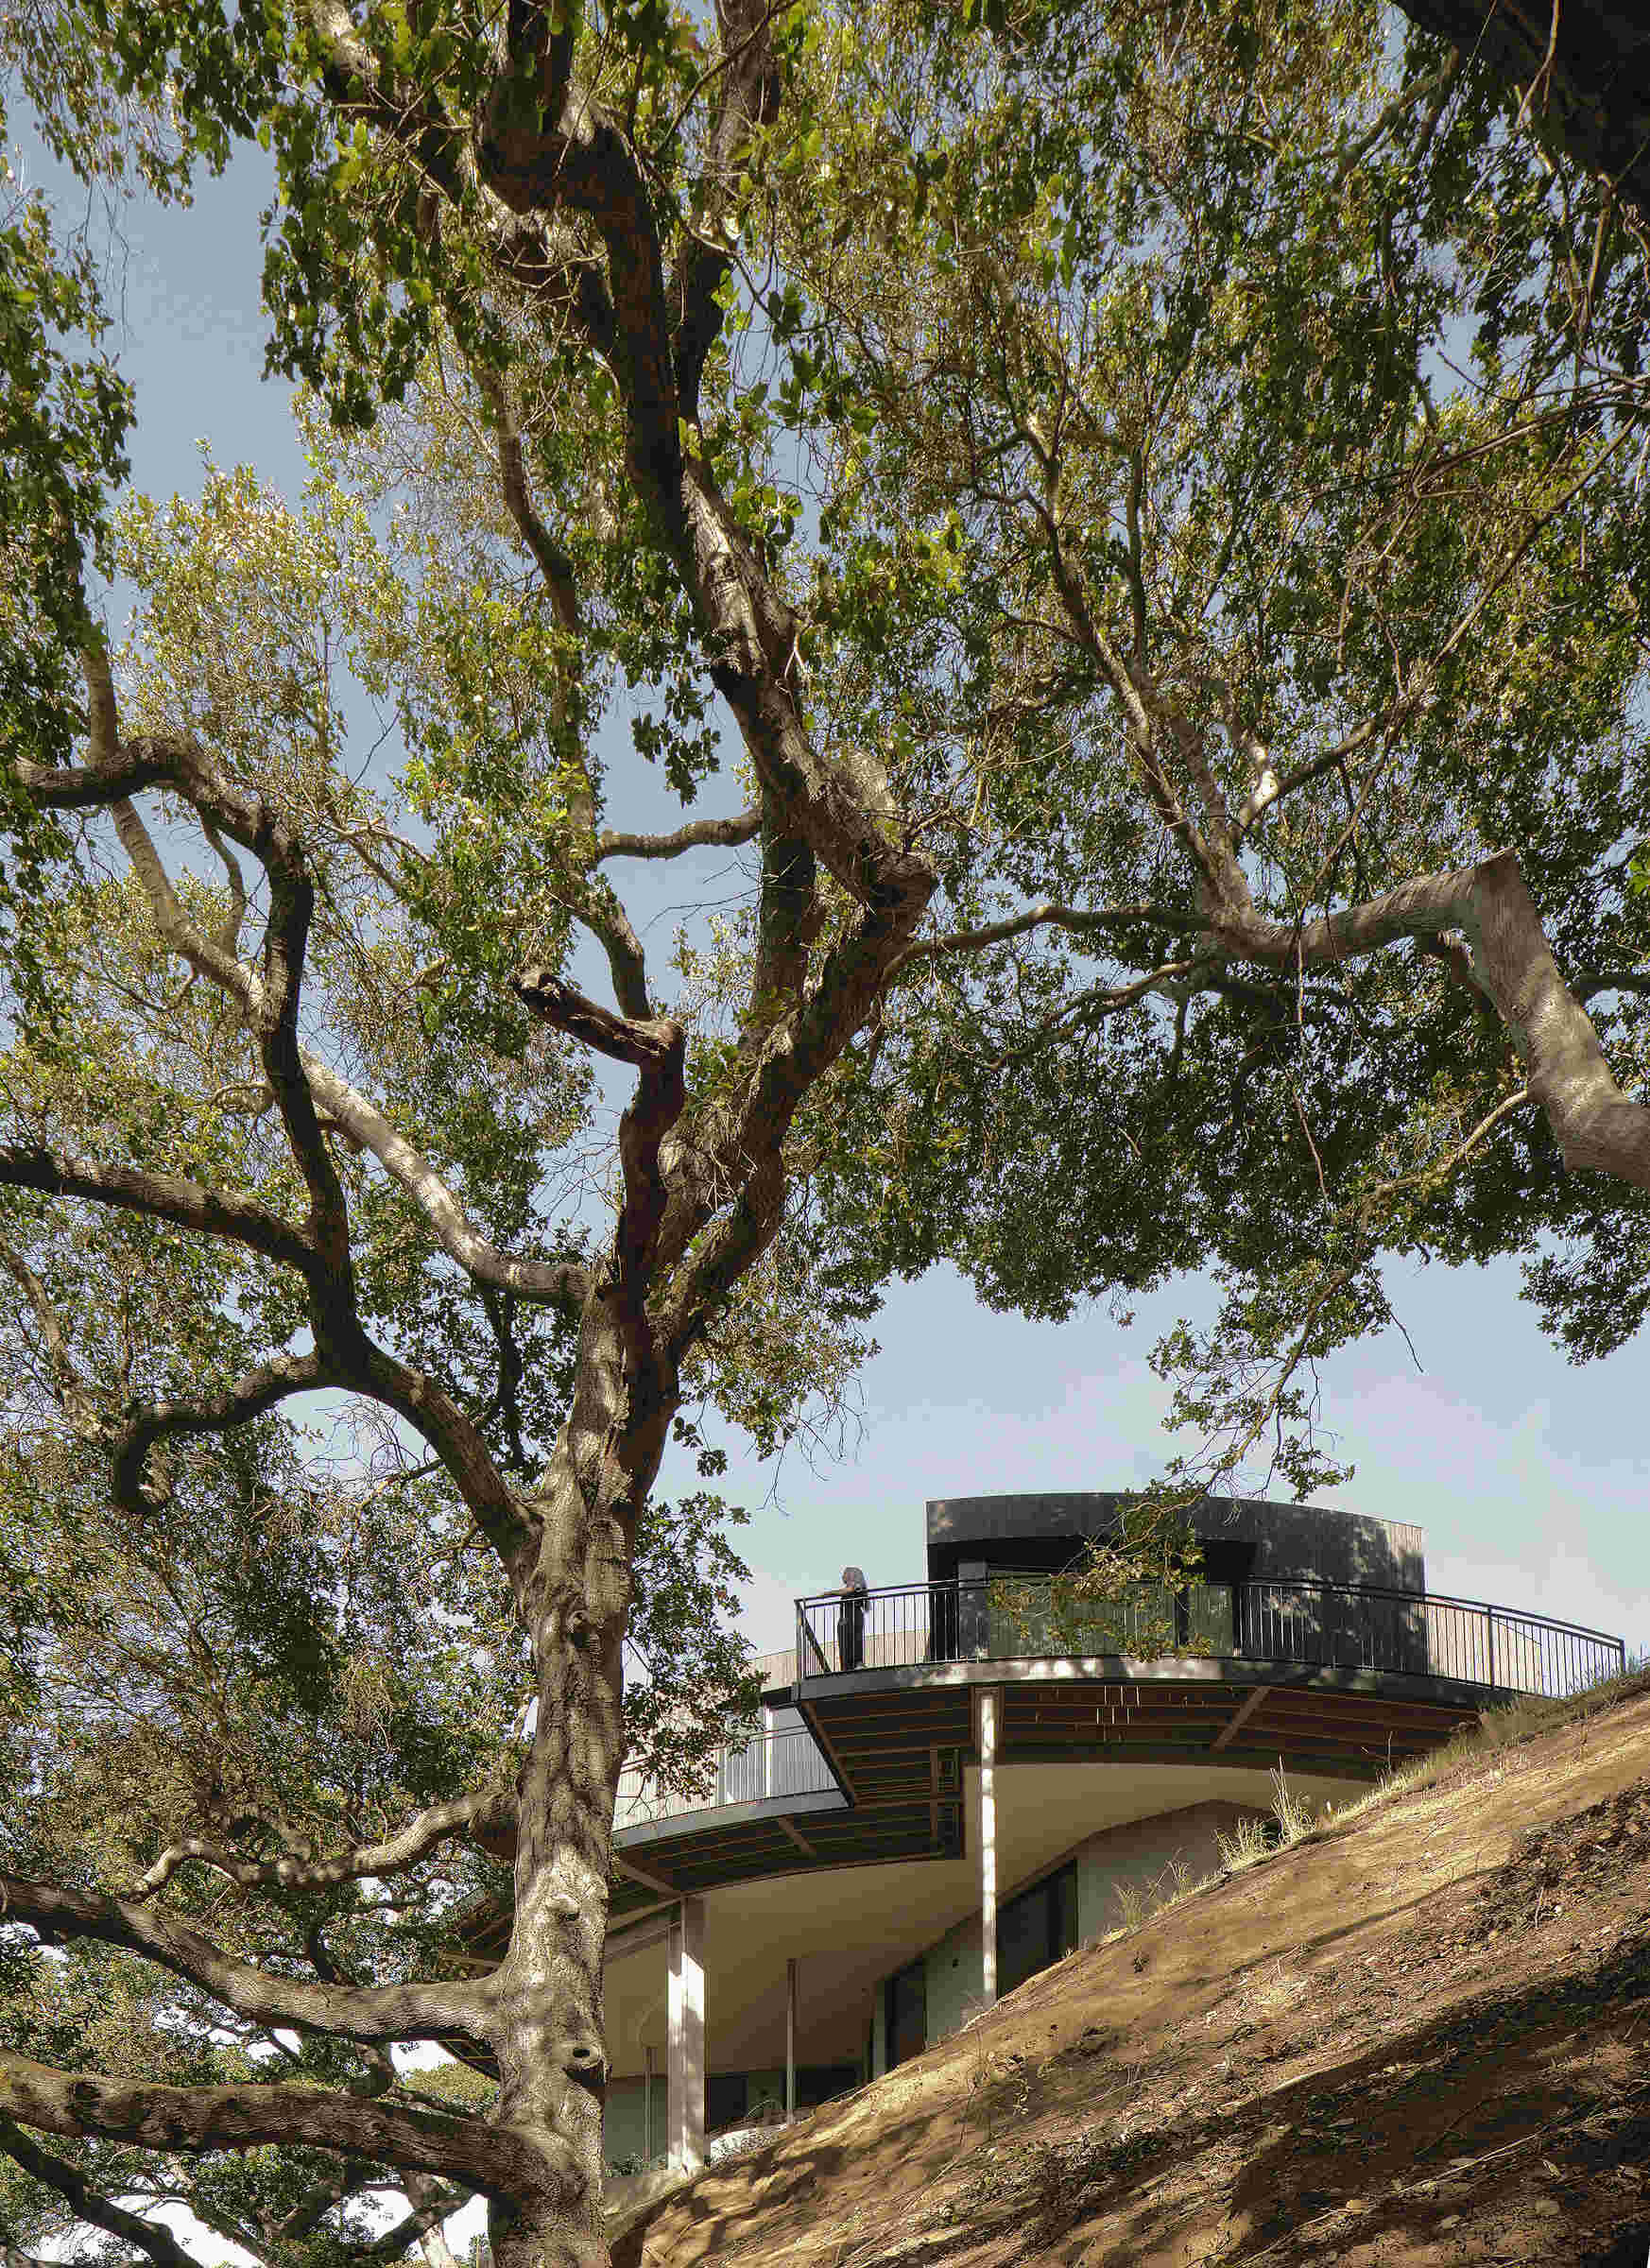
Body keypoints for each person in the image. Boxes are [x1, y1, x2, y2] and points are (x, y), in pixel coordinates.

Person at [836, 1564, 868, 1672]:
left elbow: (848, 1590)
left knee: (854, 1642)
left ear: (852, 1575)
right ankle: (848, 1667)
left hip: (852, 1618)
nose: (843, 1575)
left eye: (845, 1573)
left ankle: (856, 1664)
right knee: (846, 1645)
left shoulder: (857, 1585)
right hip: (847, 1619)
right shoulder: (856, 1586)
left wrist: (826, 1594)